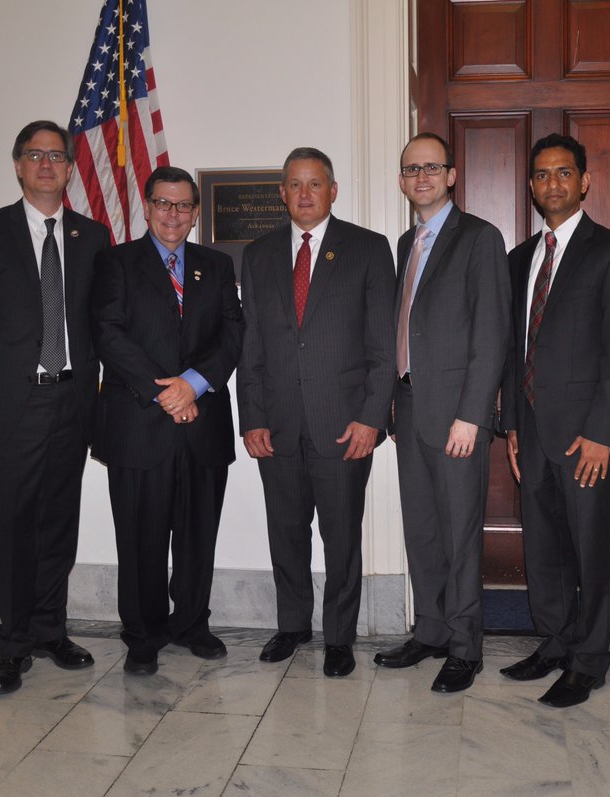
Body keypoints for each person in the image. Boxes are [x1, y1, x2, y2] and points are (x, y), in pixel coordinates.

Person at [0, 120, 110, 696]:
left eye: (56, 156)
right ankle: (13, 646)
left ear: (69, 169)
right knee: (12, 527)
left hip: (72, 402)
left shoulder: (93, 237)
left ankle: (49, 631)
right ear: (18, 165)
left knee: (58, 523)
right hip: (9, 409)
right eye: (34, 155)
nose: (45, 164)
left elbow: (100, 319)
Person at [237, 147, 396, 677]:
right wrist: (252, 418)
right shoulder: (258, 254)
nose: (305, 194)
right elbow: (251, 345)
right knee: (285, 532)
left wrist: (372, 418)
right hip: (276, 424)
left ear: (333, 190)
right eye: (295, 184)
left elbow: (383, 345)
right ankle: (292, 625)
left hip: (344, 426)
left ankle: (340, 637)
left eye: (315, 183)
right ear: (282, 193)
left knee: (341, 537)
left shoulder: (368, 249)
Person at [499, 134, 610, 707]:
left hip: (588, 436)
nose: (552, 183)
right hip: (532, 431)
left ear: (584, 181)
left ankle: (589, 659)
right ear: (532, 186)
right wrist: (512, 425)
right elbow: (514, 351)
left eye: (563, 172)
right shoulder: (519, 260)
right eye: (542, 174)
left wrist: (604, 434)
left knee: (590, 548)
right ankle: (555, 641)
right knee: (543, 546)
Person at [90, 166, 244, 675]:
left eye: (182, 205)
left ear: (195, 212)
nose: (172, 214)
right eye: (163, 203)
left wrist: (193, 385)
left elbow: (233, 333)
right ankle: (143, 633)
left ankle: (192, 624)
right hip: (138, 425)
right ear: (147, 207)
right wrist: (168, 393)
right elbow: (108, 334)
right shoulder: (115, 262)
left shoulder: (216, 265)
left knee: (199, 535)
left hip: (203, 426)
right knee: (141, 539)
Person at [373, 133, 510, 693]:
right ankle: (429, 630)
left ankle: (464, 646)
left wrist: (473, 414)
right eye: (412, 169)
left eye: (432, 167)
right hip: (410, 410)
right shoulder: (406, 242)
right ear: (401, 180)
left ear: (451, 175)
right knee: (423, 531)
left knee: (459, 536)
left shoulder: (479, 238)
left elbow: (492, 333)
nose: (421, 177)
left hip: (457, 415)